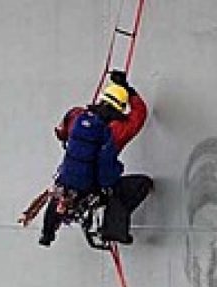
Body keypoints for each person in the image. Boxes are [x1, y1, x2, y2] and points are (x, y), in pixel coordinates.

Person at [39, 70, 152, 247]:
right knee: (138, 185)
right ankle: (113, 230)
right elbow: (140, 114)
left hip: (67, 180)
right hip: (91, 186)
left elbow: (61, 132)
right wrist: (129, 91)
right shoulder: (117, 130)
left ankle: (47, 234)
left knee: (61, 194)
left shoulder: (76, 115)